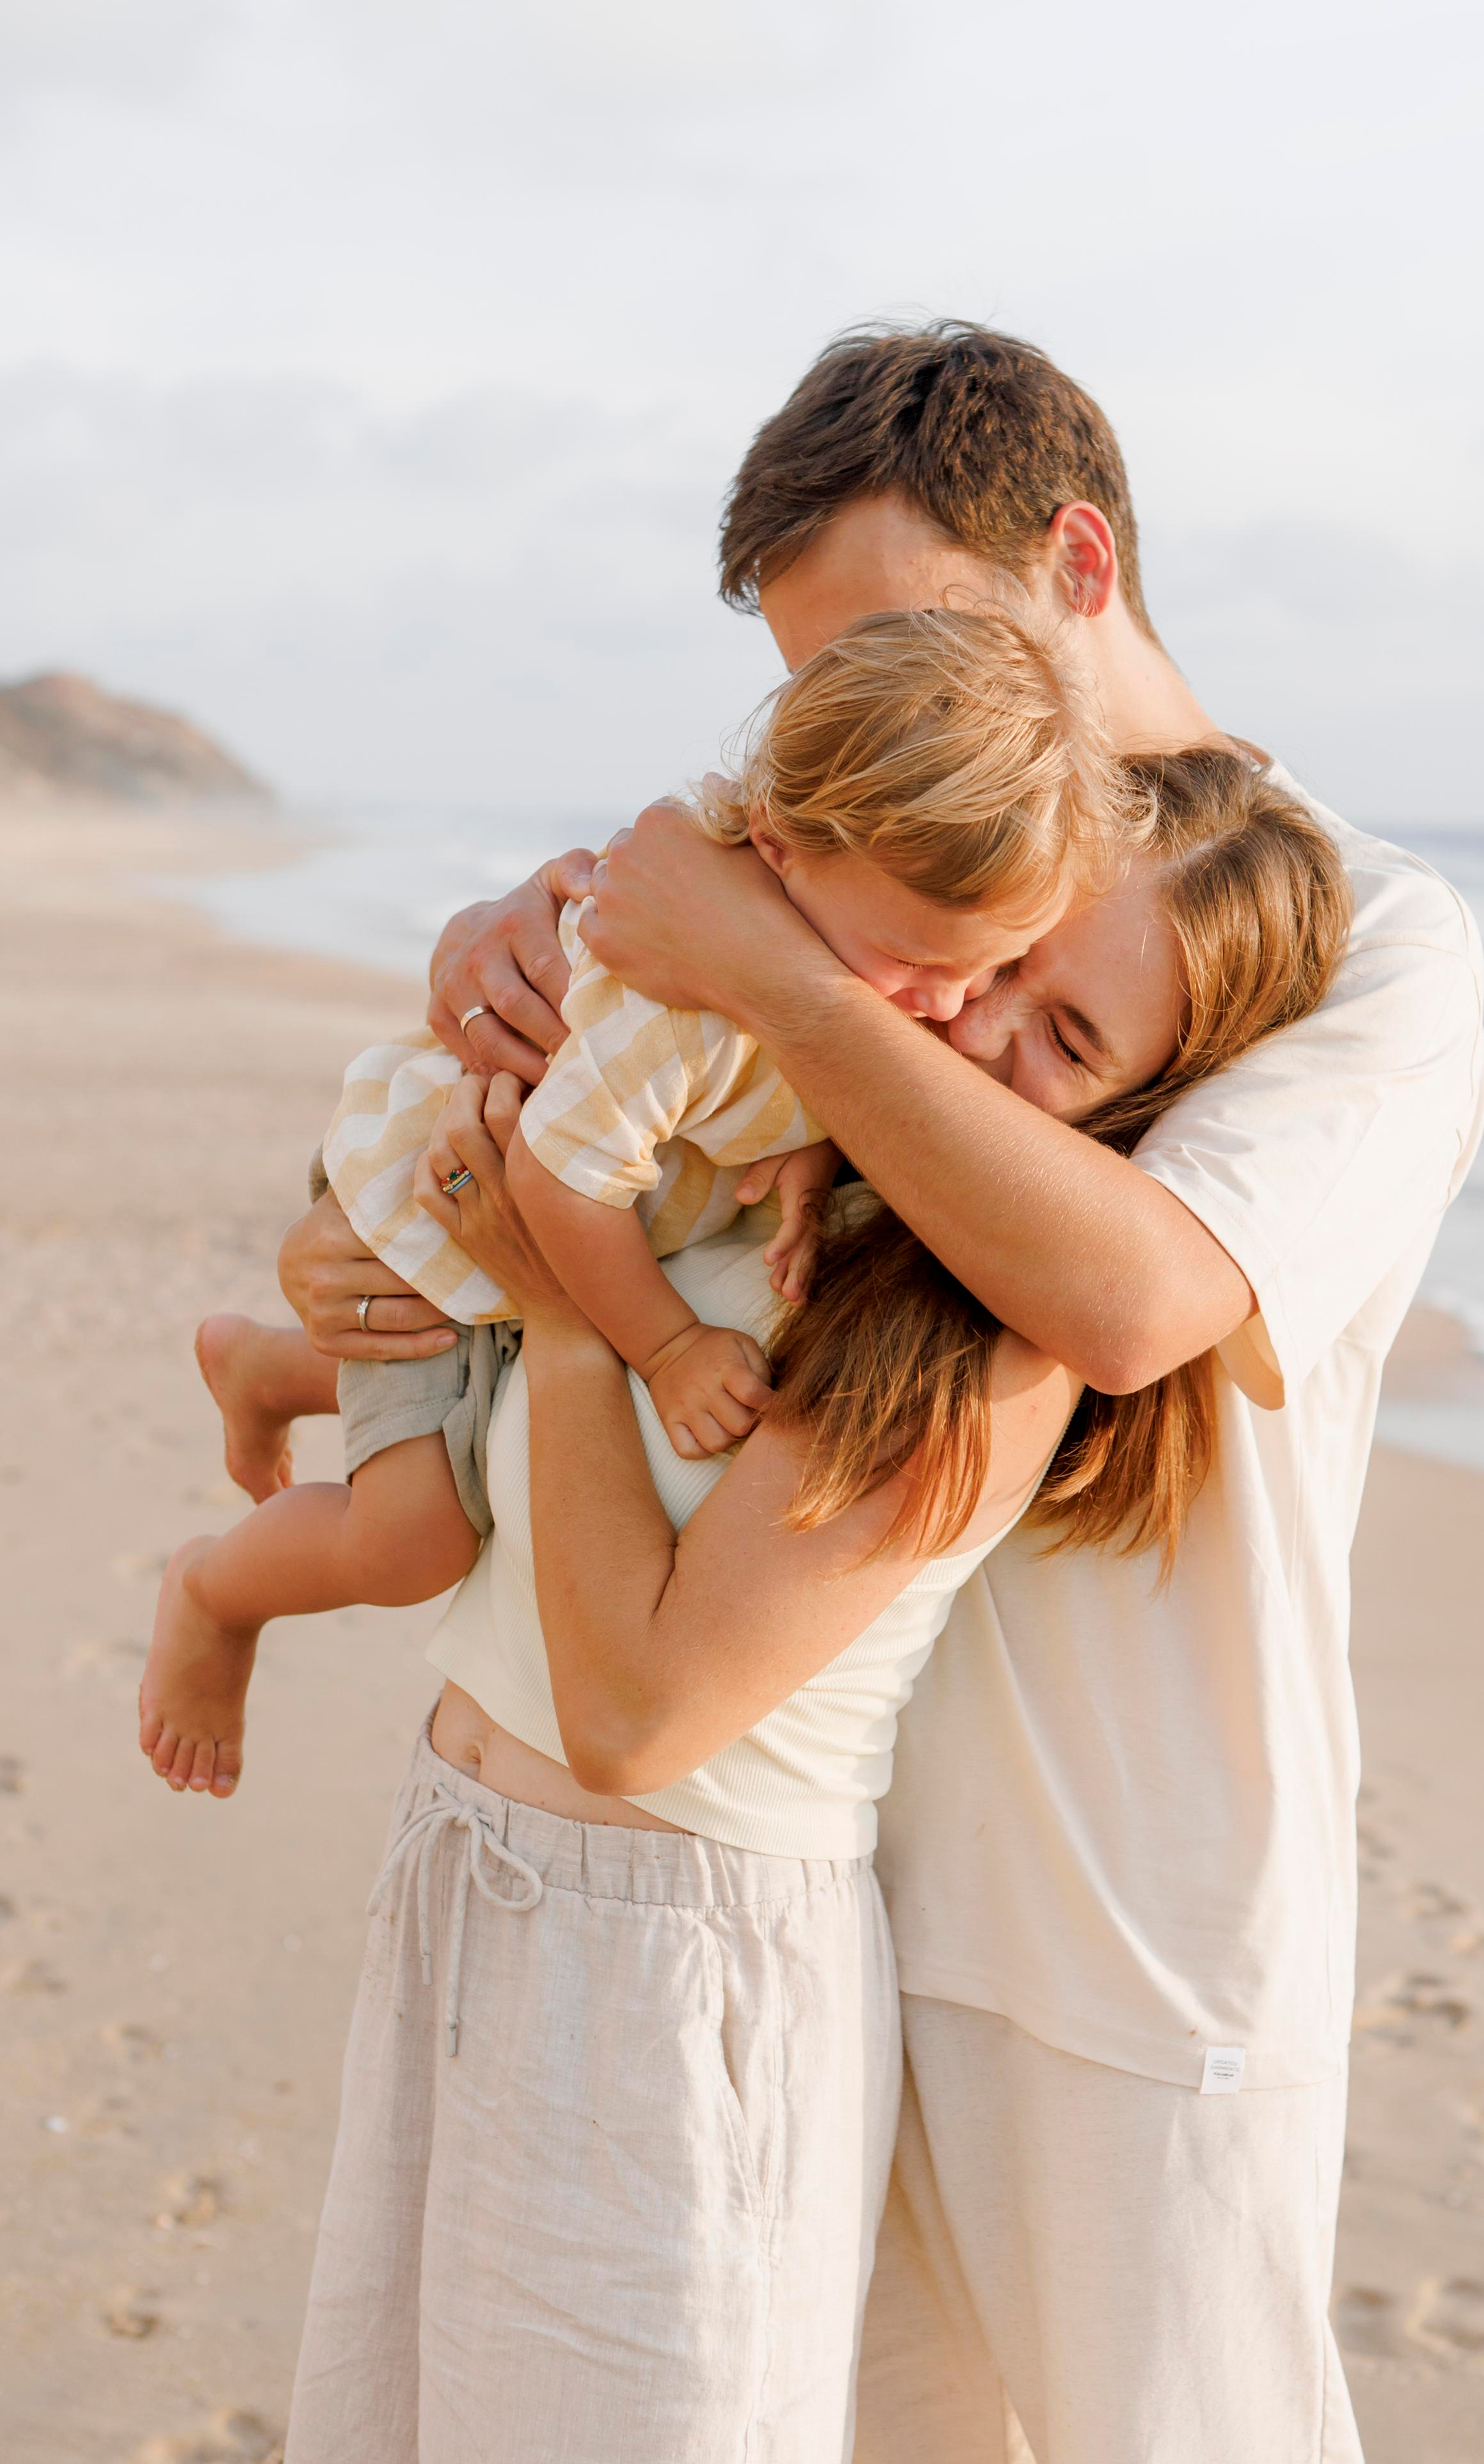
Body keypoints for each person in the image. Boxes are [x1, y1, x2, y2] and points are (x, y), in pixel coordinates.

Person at [305, 321, 1484, 2461]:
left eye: (904, 643)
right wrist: (496, 976)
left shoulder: (1350, 935)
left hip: (1132, 1910)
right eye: (808, 686)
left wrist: (753, 971)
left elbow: (1131, 1302)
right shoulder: (900, 881)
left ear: (1079, 562)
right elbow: (615, 1117)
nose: (864, 722)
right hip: (827, 1851)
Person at [278, 748, 1353, 2461]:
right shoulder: (764, 1131)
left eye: (1070, 1042)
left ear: (1142, 1111)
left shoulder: (973, 1354)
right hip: (466, 1879)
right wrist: (341, 1259)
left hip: (665, 1978)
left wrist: (568, 1330)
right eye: (1004, 970)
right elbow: (456, 1145)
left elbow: (636, 1721)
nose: (984, 1036)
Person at [139, 605, 1124, 1801]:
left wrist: (813, 1163)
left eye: (991, 969)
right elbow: (552, 1184)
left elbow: (814, 1086)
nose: (943, 1006)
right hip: (439, 1206)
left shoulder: (842, 935)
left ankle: (269, 1367)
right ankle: (210, 1589)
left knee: (461, 1375)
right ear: (780, 847)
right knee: (413, 1541)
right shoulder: (681, 1007)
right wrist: (662, 1352)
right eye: (917, 963)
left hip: (545, 1220)